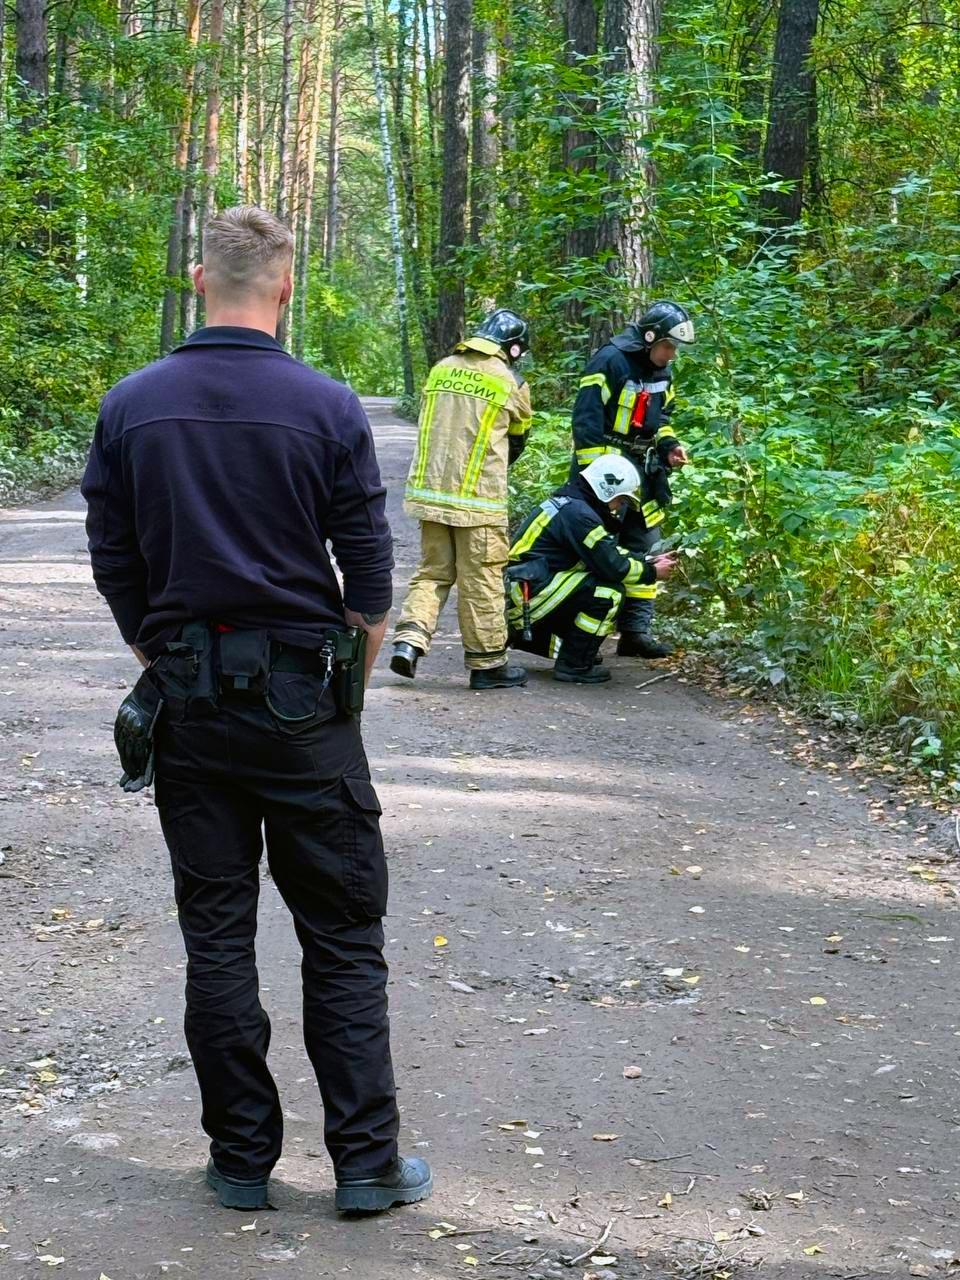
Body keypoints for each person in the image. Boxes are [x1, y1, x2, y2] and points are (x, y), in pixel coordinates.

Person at [81, 205, 432, 1215]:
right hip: (304, 705)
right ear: (285, 287)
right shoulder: (326, 405)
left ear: (201, 280)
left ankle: (241, 1160)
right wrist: (342, 691)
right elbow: (369, 575)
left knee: (219, 939)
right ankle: (365, 1165)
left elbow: (115, 560)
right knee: (343, 936)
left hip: (189, 701)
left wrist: (163, 655)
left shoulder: (132, 405)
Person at [390, 309, 533, 689]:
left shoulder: (442, 369)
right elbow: (518, 440)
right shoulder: (511, 381)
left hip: (432, 494)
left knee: (432, 573)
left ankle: (409, 641)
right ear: (513, 348)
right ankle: (488, 665)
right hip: (479, 503)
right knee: (481, 578)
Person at [570, 300, 694, 658]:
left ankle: (635, 633)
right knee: (599, 548)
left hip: (644, 469)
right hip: (605, 470)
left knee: (647, 544)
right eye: (668, 346)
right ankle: (583, 637)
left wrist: (669, 445)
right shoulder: (610, 361)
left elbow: (662, 417)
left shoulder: (663, 372)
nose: (672, 355)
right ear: (650, 338)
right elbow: (586, 420)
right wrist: (596, 482)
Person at [506, 454, 676, 684]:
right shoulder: (580, 515)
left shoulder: (573, 506)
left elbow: (605, 553)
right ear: (606, 490)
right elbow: (613, 567)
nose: (620, 507)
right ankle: (574, 665)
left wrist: (648, 560)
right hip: (528, 594)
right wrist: (653, 573)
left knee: (593, 589)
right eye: (621, 499)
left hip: (528, 590)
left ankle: (571, 651)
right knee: (608, 593)